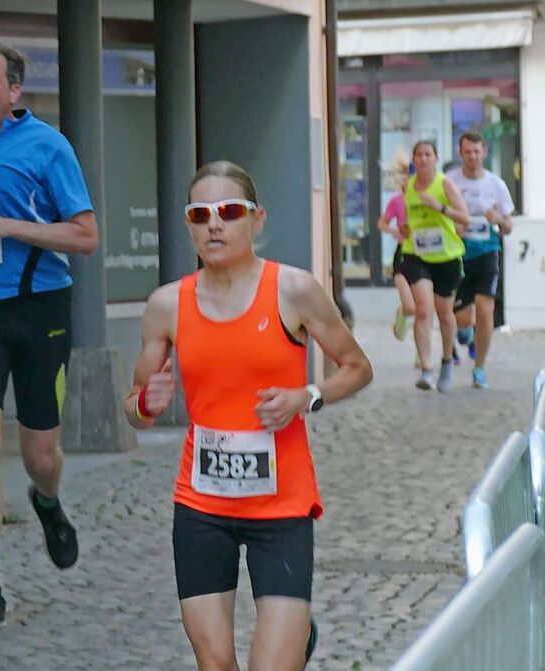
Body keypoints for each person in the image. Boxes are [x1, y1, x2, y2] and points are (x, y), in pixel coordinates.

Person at [126, 160, 372, 671]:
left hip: (280, 510)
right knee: (215, 664)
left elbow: (357, 368)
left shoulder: (294, 290)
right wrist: (146, 404)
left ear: (256, 219)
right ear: (188, 223)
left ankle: (295, 636)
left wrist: (306, 396)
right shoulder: (166, 305)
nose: (214, 223)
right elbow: (134, 408)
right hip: (201, 507)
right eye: (201, 213)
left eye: (229, 211)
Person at [0, 36, 98, 631]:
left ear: (13, 91)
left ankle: (48, 502)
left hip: (39, 306)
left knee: (39, 452)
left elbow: (85, 236)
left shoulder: (48, 146)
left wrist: (10, 226)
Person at [396, 141, 470, 392]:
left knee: (445, 314)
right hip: (416, 255)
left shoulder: (444, 184)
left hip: (446, 257)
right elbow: (407, 219)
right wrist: (405, 228)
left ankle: (447, 362)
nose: (424, 159)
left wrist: (439, 207)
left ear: (435, 159)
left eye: (428, 155)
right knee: (423, 311)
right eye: (419, 155)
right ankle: (426, 369)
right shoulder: (407, 186)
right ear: (414, 161)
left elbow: (465, 217)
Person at [446, 132, 514, 389]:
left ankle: (479, 368)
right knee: (462, 319)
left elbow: (509, 227)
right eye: (468, 152)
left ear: (485, 151)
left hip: (487, 251)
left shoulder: (496, 184)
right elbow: (439, 216)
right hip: (457, 253)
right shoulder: (450, 182)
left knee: (486, 309)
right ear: (460, 152)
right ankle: (466, 336)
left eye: (477, 151)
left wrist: (498, 219)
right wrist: (453, 226)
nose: (473, 156)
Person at [377, 169, 415, 341]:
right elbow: (381, 223)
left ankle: (422, 355)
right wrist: (394, 230)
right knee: (410, 306)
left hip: (426, 253)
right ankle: (402, 314)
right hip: (402, 253)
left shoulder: (430, 199)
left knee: (424, 309)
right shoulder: (397, 200)